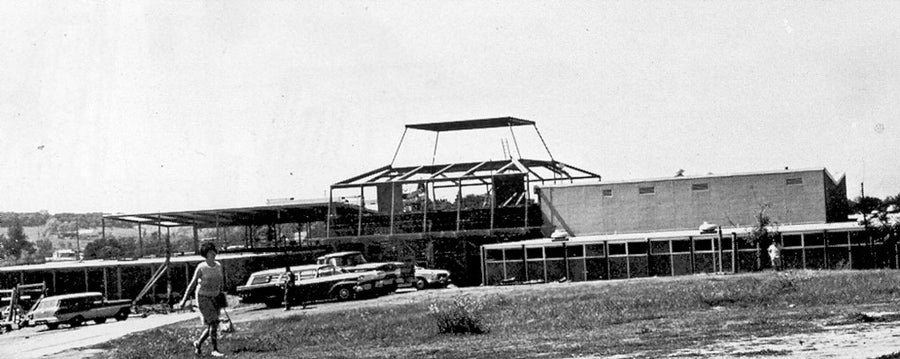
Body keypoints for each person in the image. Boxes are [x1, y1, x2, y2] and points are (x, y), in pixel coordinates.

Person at [179, 242, 226, 357]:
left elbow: (220, 282)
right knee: (214, 322)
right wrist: (184, 300)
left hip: (215, 297)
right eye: (210, 252)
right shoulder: (201, 267)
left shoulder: (218, 265)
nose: (213, 254)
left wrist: (221, 295)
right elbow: (192, 283)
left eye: (214, 251)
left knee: (212, 325)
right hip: (203, 297)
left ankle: (198, 343)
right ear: (205, 254)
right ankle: (214, 349)